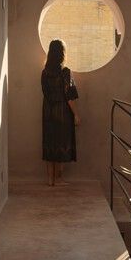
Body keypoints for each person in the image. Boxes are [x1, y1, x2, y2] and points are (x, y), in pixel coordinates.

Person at [41, 39, 80, 186]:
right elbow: (70, 96)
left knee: (50, 144)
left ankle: (50, 180)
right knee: (62, 145)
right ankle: (59, 179)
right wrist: (76, 114)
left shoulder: (44, 73)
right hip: (62, 113)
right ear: (62, 53)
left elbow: (45, 93)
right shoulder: (66, 72)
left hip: (48, 113)